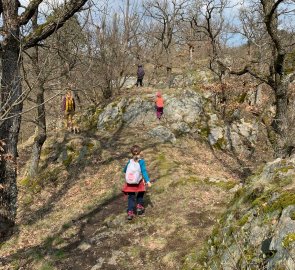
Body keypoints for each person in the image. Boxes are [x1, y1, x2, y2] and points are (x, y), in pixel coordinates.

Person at [122, 145, 152, 220]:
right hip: (138, 182)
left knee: (131, 197)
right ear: (140, 152)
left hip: (130, 183)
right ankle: (139, 206)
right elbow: (144, 171)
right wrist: (147, 181)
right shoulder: (141, 161)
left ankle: (130, 212)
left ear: (132, 153)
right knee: (141, 192)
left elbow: (125, 170)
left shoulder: (130, 161)